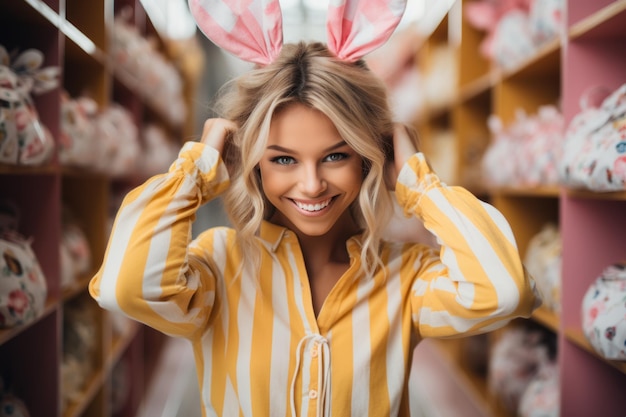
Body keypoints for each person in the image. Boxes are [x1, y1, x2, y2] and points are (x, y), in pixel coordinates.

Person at [90, 2, 541, 416]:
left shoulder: (406, 277)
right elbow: (125, 288)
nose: (311, 184)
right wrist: (195, 171)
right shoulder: (219, 265)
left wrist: (420, 186)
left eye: (335, 155)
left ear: (370, 157)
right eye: (283, 159)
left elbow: (504, 291)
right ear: (250, 162)